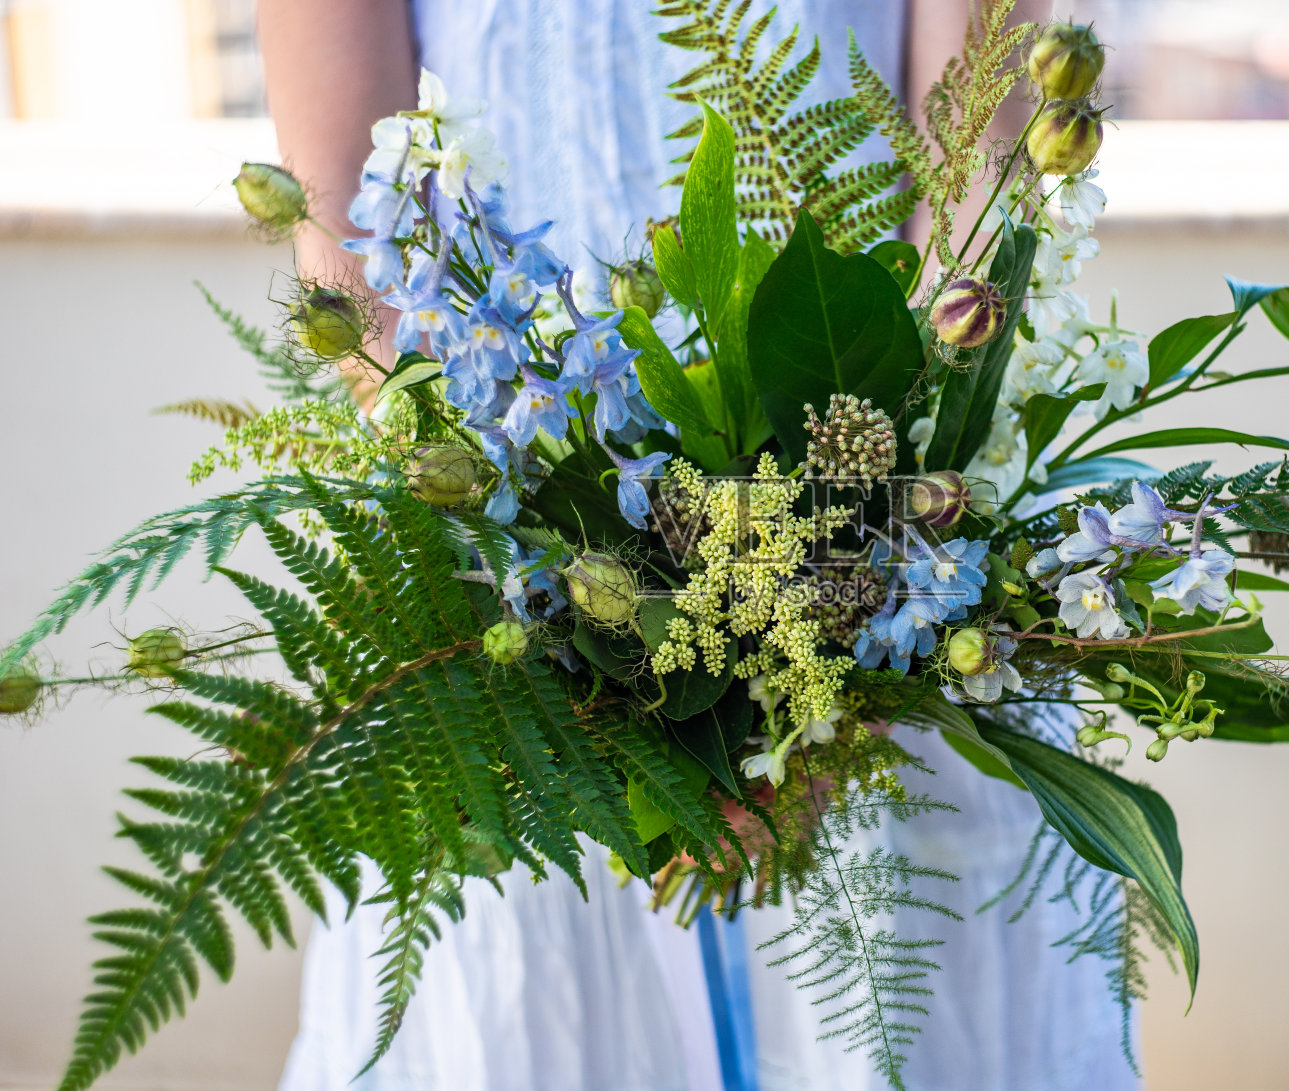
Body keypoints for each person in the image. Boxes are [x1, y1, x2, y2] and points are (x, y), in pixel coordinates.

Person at [258, 2, 1140, 1088]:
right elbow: (355, 248)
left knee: (904, 1015)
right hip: (529, 577)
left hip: (891, 534)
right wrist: (574, 623)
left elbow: (978, 151)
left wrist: (840, 625)